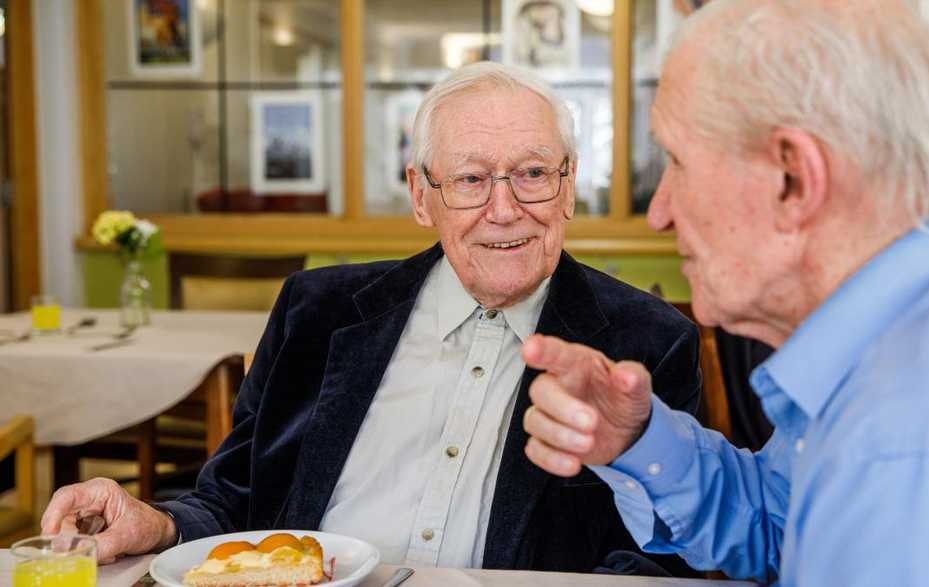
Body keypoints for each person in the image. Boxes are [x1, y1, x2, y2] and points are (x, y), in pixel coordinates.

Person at [40, 62, 703, 574]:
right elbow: (234, 501)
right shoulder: (316, 314)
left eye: (532, 173)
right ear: (421, 195)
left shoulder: (646, 346)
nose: (505, 209)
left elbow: (660, 556)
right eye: (471, 180)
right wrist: (156, 523)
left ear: (568, 185)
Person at [520, 1, 929, 585]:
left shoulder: (913, 457)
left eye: (677, 160)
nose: (659, 213)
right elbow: (783, 524)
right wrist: (637, 440)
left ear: (793, 179)